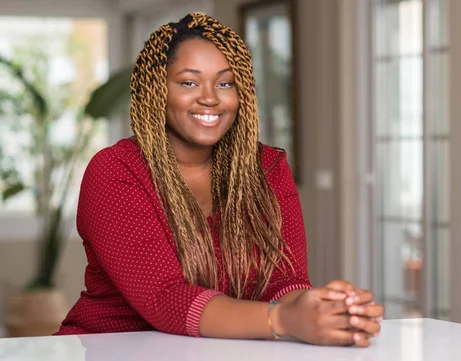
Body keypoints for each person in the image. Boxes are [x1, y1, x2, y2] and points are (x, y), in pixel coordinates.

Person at [55, 13, 384, 347]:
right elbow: (165, 299)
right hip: (112, 350)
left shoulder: (268, 168)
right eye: (189, 82)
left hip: (223, 351)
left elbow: (284, 281)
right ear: (157, 90)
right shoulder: (115, 171)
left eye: (225, 83)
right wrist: (283, 320)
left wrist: (323, 311)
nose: (210, 97)